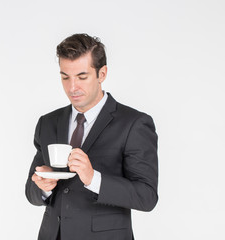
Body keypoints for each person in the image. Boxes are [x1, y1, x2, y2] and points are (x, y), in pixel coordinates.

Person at [25, 33, 158, 240]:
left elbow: (146, 197)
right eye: (65, 77)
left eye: (82, 77)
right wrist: (42, 188)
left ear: (102, 74)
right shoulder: (48, 122)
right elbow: (31, 192)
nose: (72, 87)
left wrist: (93, 179)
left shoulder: (134, 123)